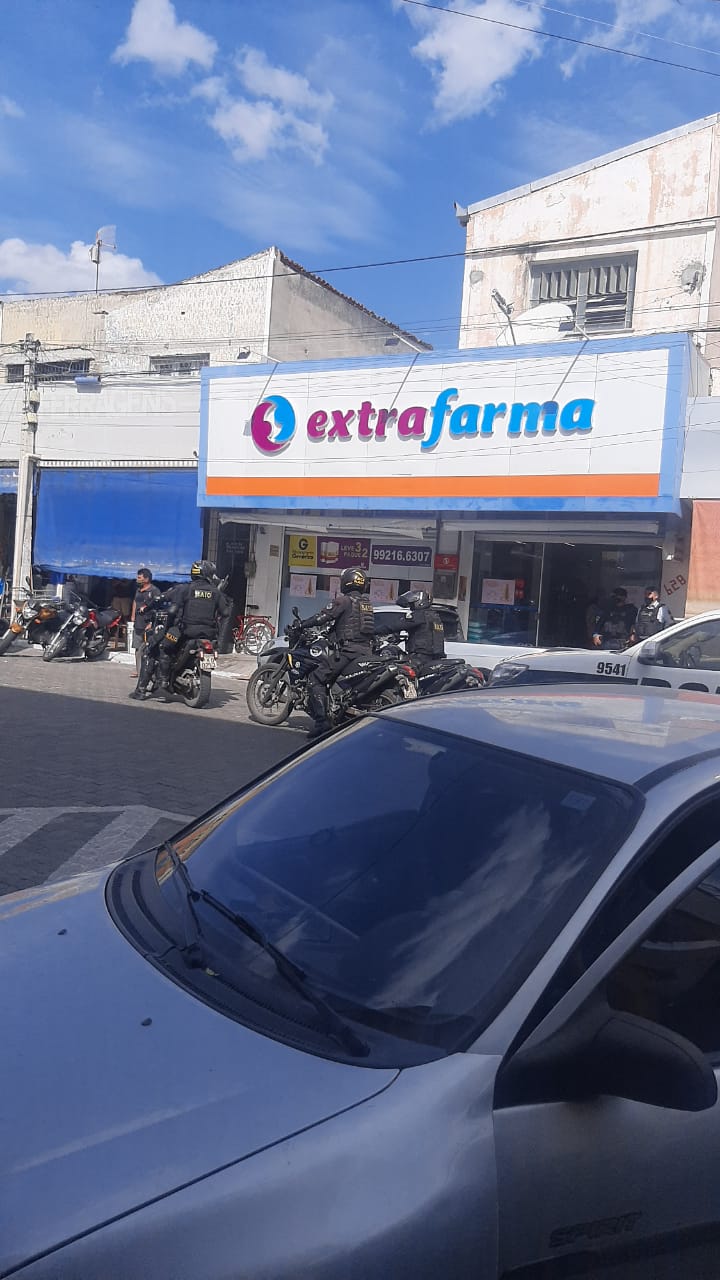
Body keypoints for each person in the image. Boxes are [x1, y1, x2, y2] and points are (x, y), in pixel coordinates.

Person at [300, 566, 375, 737]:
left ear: (346, 582)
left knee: (315, 679)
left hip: (348, 651)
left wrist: (302, 624)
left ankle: (322, 722)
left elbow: (322, 617)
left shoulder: (344, 601)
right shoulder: (366, 604)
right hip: (365, 650)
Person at [377, 588, 446, 669]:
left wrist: (374, 630)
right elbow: (423, 632)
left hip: (419, 657)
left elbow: (396, 625)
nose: (411, 606)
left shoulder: (420, 615)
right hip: (433, 657)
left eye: (412, 604)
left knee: (397, 670)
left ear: (420, 602)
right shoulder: (434, 616)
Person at [129, 567, 161, 676]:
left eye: (139, 578)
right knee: (137, 648)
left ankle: (148, 671)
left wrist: (152, 623)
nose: (137, 579)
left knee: (147, 649)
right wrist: (133, 615)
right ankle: (138, 671)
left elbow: (158, 608)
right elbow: (135, 602)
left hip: (149, 625)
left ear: (146, 579)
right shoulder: (138, 590)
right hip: (138, 624)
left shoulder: (154, 591)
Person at [592, 587, 638, 651]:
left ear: (624, 597)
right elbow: (600, 623)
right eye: (614, 596)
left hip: (623, 641)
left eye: (618, 596)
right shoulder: (608, 609)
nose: (616, 598)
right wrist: (595, 635)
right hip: (607, 640)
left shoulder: (631, 610)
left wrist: (633, 635)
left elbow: (635, 624)